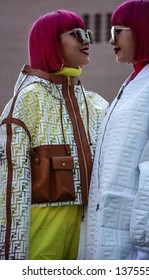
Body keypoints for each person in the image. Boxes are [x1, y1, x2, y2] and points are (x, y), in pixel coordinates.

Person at [0, 9, 108, 260]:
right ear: (50, 42)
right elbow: (8, 186)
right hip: (41, 235)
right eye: (78, 34)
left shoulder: (95, 104)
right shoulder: (27, 101)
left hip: (87, 234)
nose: (87, 40)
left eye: (88, 33)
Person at [78, 0, 149, 260]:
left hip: (134, 245)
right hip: (106, 232)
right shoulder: (130, 86)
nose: (111, 40)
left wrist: (147, 246)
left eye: (118, 30)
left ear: (145, 30)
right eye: (111, 31)